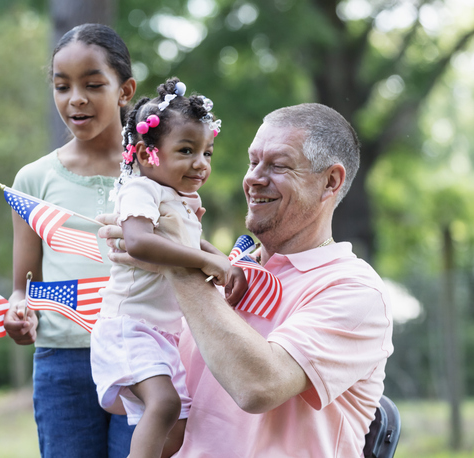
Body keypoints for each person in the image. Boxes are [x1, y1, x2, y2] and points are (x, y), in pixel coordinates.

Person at [99, 103, 394, 457]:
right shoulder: (223, 271)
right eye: (253, 162)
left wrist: (174, 258)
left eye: (278, 165)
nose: (254, 177)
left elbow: (258, 387)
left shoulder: (355, 291)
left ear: (330, 181)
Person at [90, 77, 247, 458]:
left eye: (207, 153)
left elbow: (188, 247)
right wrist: (208, 260)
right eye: (187, 150)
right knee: (164, 405)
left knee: (177, 429)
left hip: (164, 334)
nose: (200, 163)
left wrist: (220, 260)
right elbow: (140, 242)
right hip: (131, 327)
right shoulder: (139, 190)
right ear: (147, 155)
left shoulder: (182, 199)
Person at [3, 23, 137, 457]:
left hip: (141, 353)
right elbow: (25, 284)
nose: (75, 97)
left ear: (125, 90)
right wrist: (19, 310)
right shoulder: (33, 179)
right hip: (63, 361)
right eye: (62, 87)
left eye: (93, 84)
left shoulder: (153, 171)